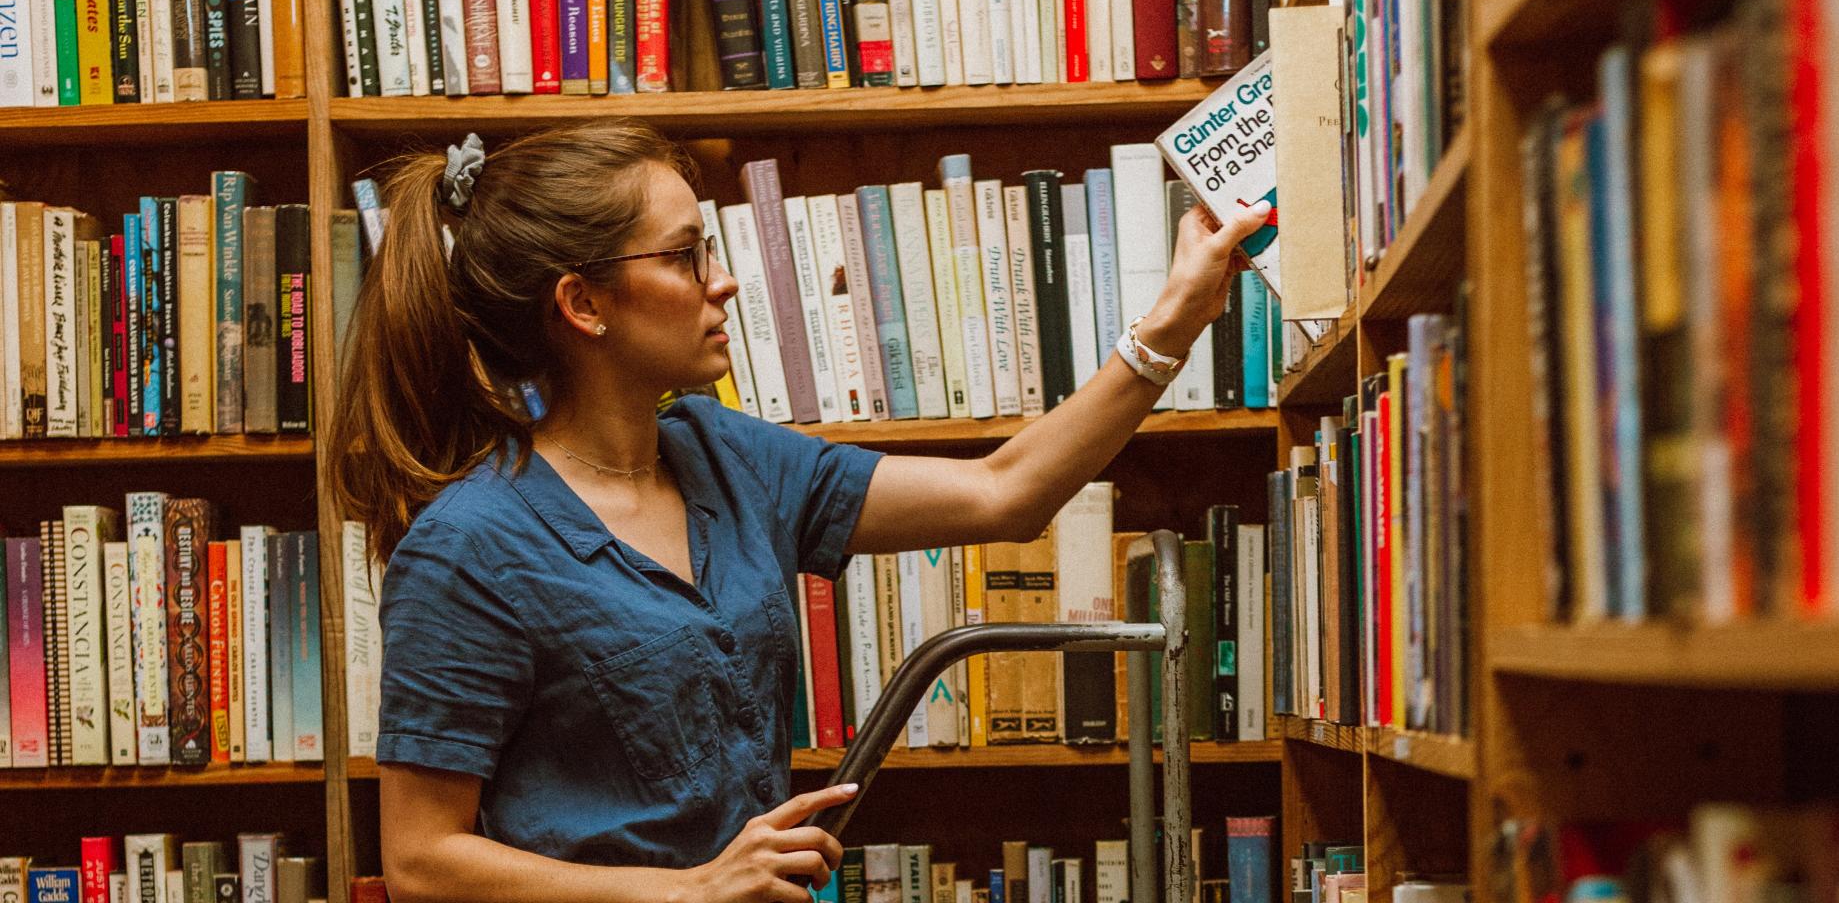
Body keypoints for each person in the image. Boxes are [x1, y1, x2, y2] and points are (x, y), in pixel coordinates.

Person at [329, 118, 1272, 903]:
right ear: (582, 303)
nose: (723, 281)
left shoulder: (725, 453)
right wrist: (690, 890)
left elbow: (1006, 492)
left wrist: (1177, 317)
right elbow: (419, 860)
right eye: (687, 255)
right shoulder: (470, 546)